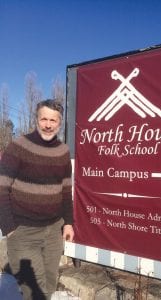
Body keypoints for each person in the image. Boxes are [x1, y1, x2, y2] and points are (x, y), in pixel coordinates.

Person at [0, 99, 74, 300]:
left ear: (60, 123)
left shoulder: (63, 151)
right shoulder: (19, 146)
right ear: (36, 119)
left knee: (48, 285)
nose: (48, 125)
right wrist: (9, 227)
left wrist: (68, 223)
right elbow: (2, 186)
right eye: (44, 119)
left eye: (53, 120)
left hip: (53, 231)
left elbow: (66, 190)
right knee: (34, 290)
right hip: (23, 232)